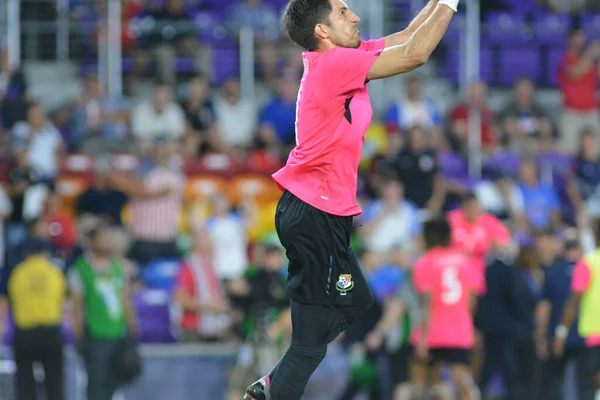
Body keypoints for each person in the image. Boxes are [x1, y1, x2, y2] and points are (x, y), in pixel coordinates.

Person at [244, 0, 458, 398]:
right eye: (343, 12)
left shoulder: (341, 58)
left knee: (350, 305)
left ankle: (270, 387)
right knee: (329, 324)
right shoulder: (333, 66)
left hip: (318, 214)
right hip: (315, 214)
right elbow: (416, 54)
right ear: (322, 31)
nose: (355, 16)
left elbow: (406, 37)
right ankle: (273, 387)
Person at [69, 224, 139, 400]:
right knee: (95, 385)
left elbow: (124, 298)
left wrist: (132, 325)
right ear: (91, 242)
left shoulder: (116, 267)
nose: (106, 243)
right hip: (95, 336)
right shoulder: (81, 268)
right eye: (102, 239)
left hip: (117, 334)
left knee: (112, 384)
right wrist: (79, 333)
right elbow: (76, 305)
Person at [0, 239, 66, 400]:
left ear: (26, 253)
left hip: (25, 333)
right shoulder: (54, 272)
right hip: (50, 332)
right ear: (45, 253)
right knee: (55, 382)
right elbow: (61, 301)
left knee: (24, 383)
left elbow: (8, 301)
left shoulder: (17, 273)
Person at [536, 231, 597, 400]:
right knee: (587, 383)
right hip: (587, 335)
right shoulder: (589, 266)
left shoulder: (553, 272)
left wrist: (542, 337)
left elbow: (544, 308)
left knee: (555, 380)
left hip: (559, 334)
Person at [554, 224, 600, 400]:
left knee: (588, 386)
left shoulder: (588, 262)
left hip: (592, 335)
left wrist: (561, 331)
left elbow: (574, 301)